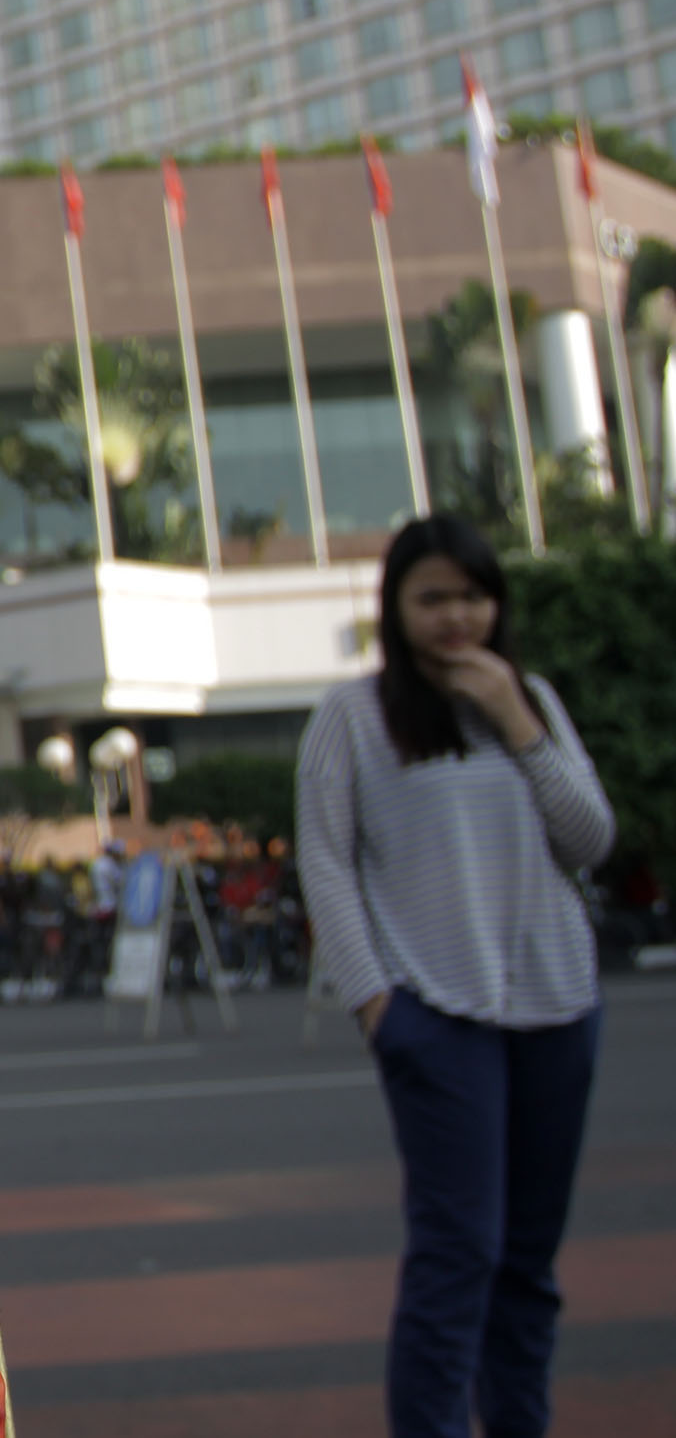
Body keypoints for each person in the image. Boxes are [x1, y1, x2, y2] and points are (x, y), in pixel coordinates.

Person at [297, 513, 614, 1438]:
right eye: (432, 597)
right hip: (437, 1013)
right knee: (458, 1253)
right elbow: (327, 862)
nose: (455, 618)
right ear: (396, 606)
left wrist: (518, 720)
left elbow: (588, 839)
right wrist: (376, 1003)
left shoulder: (534, 703)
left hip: (558, 1008)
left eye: (472, 597)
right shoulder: (353, 718)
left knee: (528, 1262)